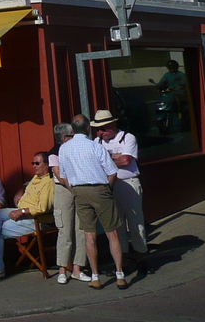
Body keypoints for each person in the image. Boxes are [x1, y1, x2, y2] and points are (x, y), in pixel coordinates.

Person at [58, 114, 127, 289]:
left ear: (72, 130)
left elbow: (63, 176)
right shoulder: (94, 146)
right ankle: (119, 274)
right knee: (113, 233)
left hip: (79, 191)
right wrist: (108, 190)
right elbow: (112, 172)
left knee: (89, 235)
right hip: (99, 188)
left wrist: (74, 191)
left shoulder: (64, 149)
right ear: (88, 128)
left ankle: (95, 276)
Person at [0, 151, 56, 279]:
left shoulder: (49, 182)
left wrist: (21, 211)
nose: (34, 166)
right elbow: (27, 184)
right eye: (32, 163)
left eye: (37, 163)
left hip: (37, 219)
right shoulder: (37, 178)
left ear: (47, 165)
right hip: (24, 214)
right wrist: (20, 190)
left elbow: (43, 208)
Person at [93, 110, 147, 271]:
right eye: (98, 129)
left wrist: (105, 159)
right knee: (117, 225)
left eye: (103, 129)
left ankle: (141, 256)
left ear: (113, 125)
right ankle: (122, 259)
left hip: (128, 183)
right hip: (109, 185)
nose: (100, 133)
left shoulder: (127, 138)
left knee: (135, 221)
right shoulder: (97, 141)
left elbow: (125, 160)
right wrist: (114, 157)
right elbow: (96, 162)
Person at [49, 122, 90, 284]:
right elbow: (59, 174)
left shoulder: (76, 149)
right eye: (72, 135)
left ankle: (78, 268)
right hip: (64, 190)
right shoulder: (54, 152)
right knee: (65, 230)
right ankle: (62, 268)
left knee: (80, 229)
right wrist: (74, 190)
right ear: (65, 137)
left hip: (79, 187)